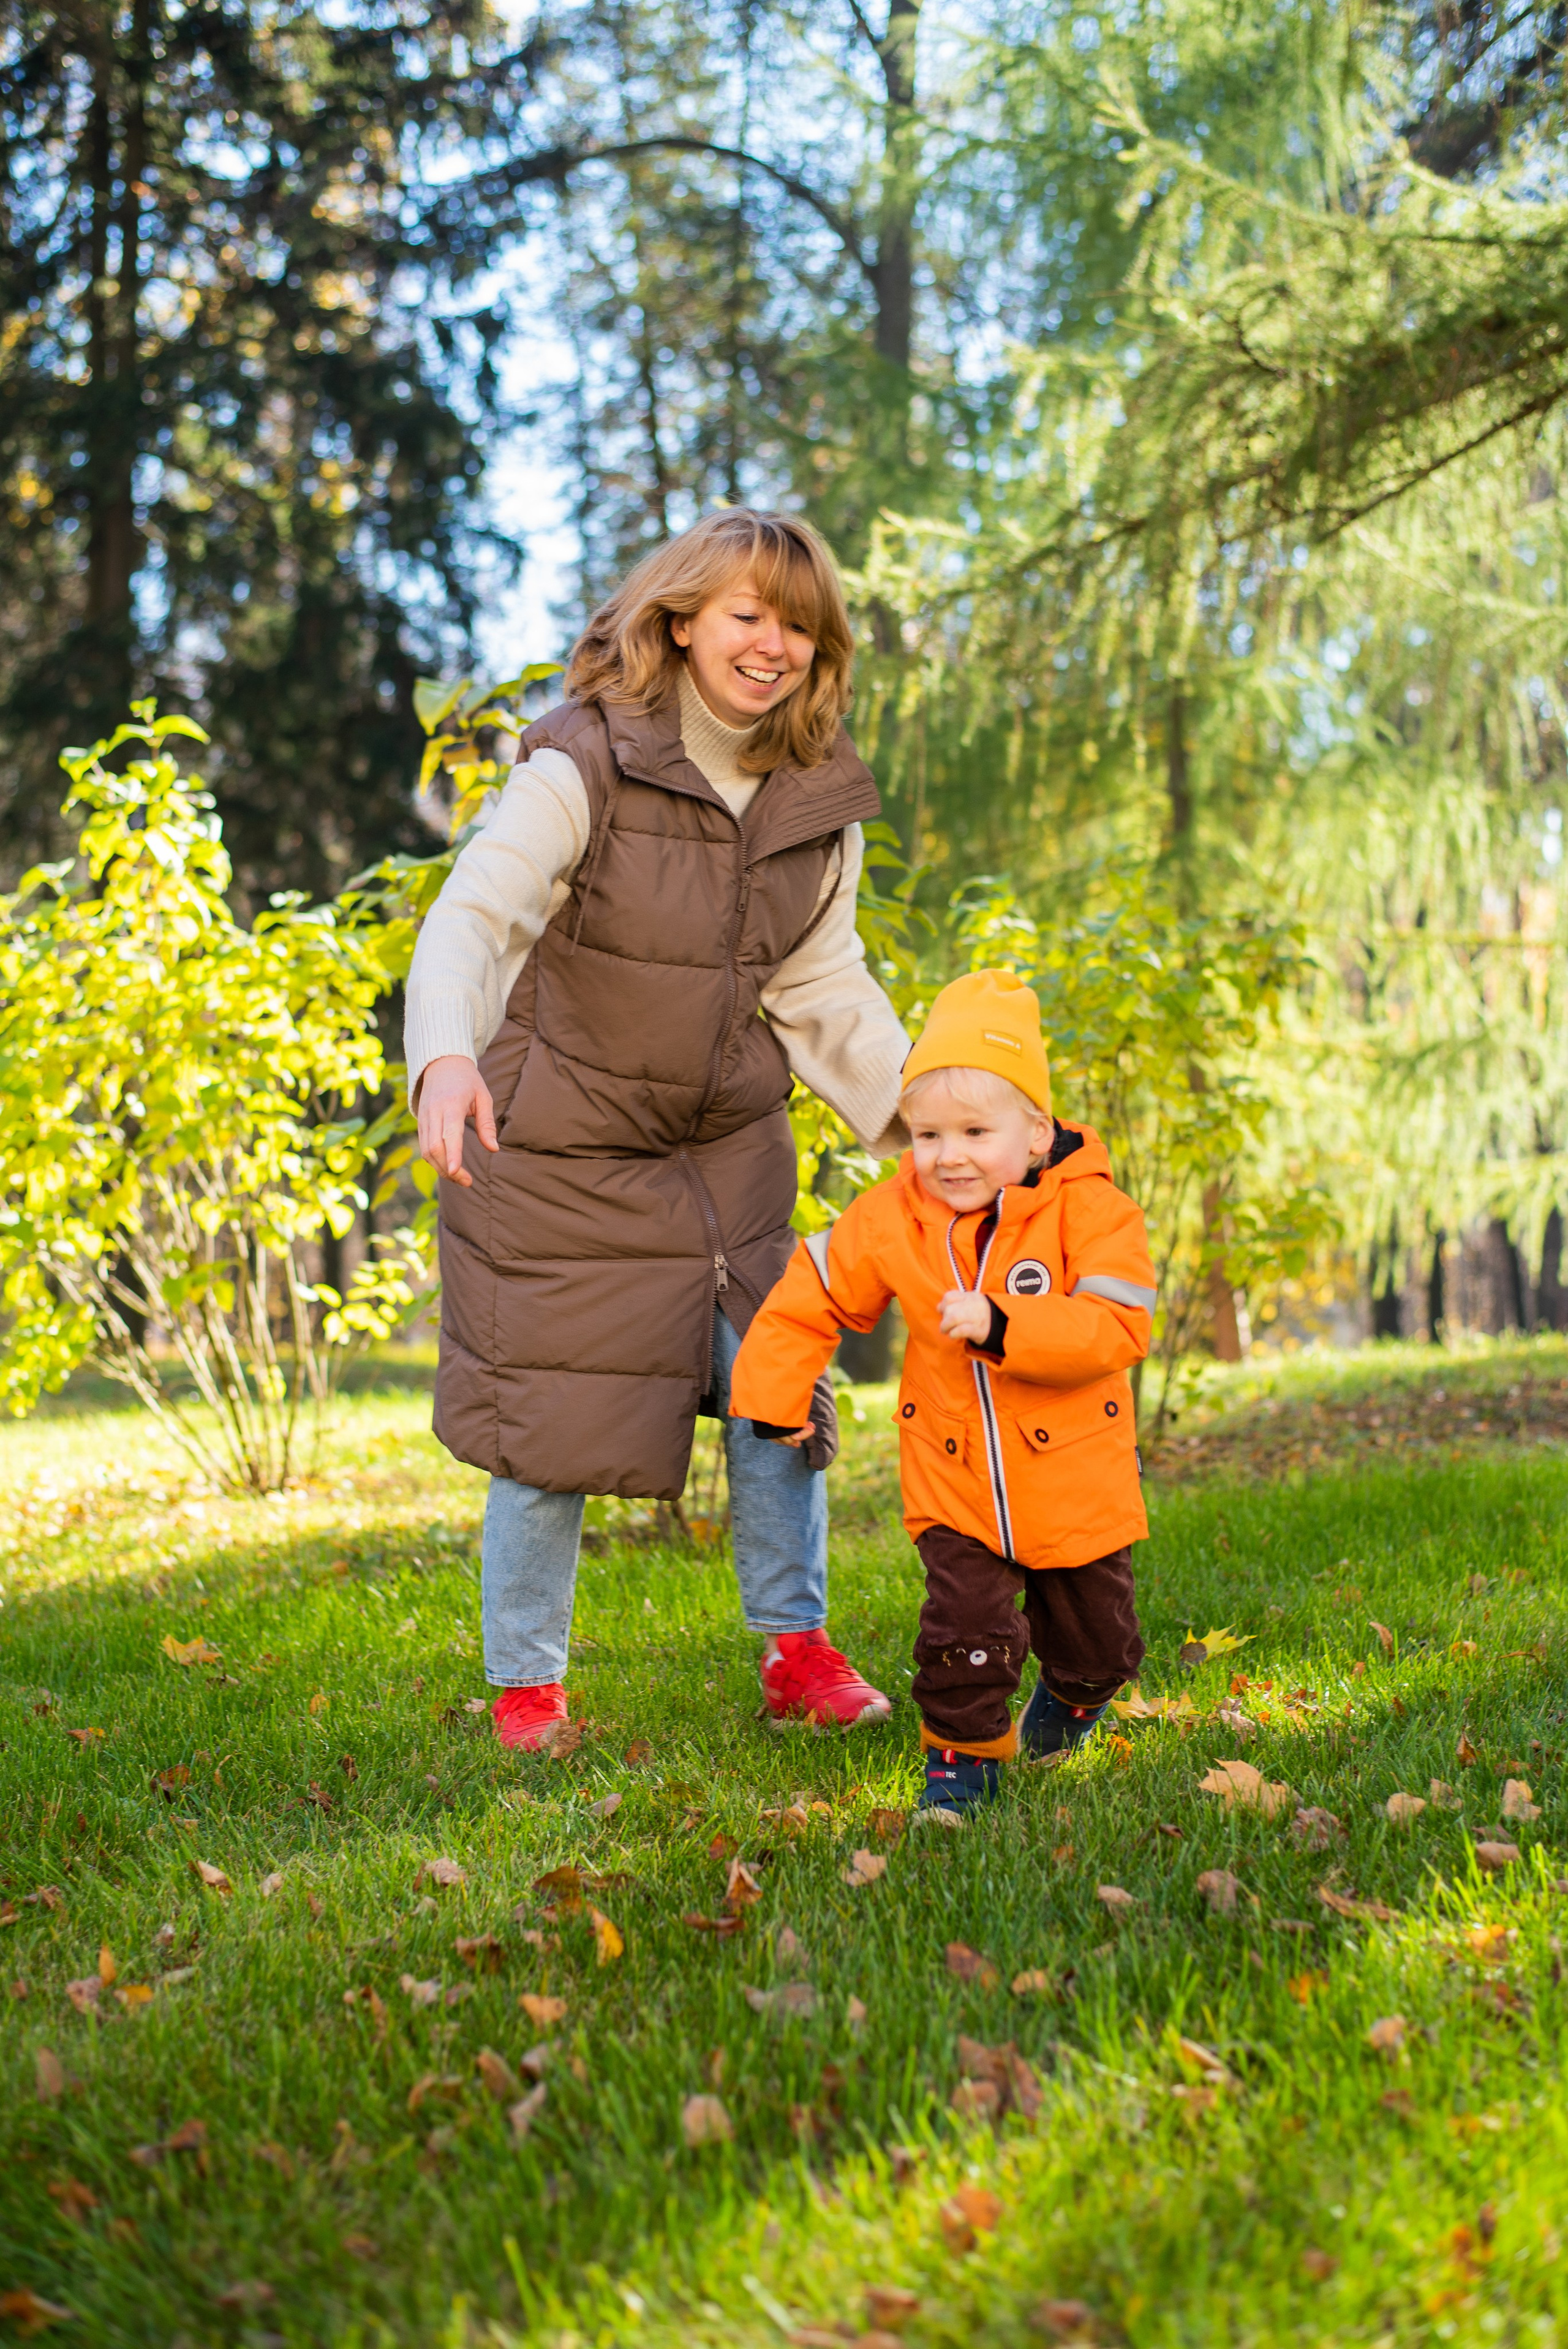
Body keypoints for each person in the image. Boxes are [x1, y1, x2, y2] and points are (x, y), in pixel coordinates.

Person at [405, 510, 911, 1748]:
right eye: (748, 614)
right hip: (559, 1141)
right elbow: (477, 915)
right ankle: (527, 1688)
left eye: (799, 624)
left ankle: (795, 1651)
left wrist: (925, 1124)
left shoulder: (815, 796)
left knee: (777, 1384)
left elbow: (821, 984)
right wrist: (444, 1056)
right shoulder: (581, 760)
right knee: (550, 1418)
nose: (773, 644)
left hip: (723, 1142)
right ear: (679, 621)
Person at [729, 968, 1156, 1816]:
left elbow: (1116, 1331)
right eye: (927, 1135)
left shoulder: (1096, 1216)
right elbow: (810, 1293)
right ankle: (961, 1766)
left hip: (1074, 1479)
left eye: (973, 1131)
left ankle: (1074, 1700)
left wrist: (1005, 1326)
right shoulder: (895, 1218)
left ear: (1037, 1133)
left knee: (1099, 1642)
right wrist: (774, 1397)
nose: (947, 1155)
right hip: (953, 1476)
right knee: (964, 1633)